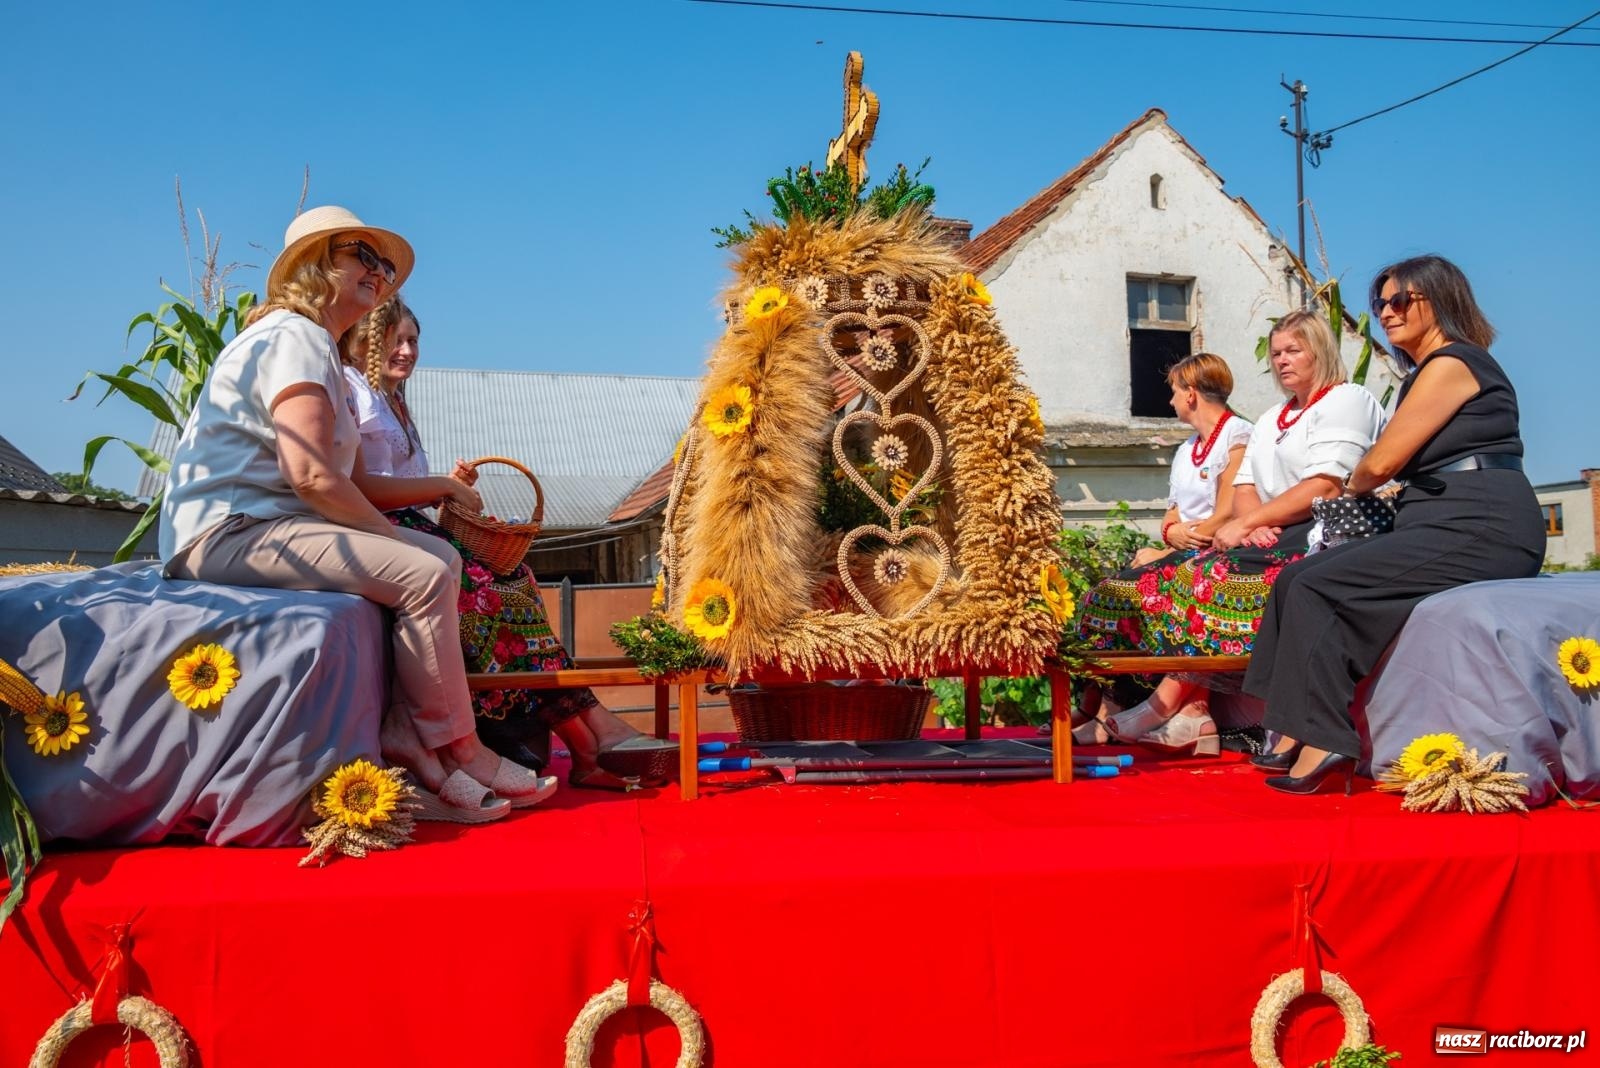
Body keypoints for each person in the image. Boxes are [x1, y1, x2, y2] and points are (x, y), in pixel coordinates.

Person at [159, 205, 553, 821]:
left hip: (269, 525)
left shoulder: (320, 354)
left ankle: (413, 738)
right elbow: (311, 474)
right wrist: (398, 544)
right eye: (362, 255)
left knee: (437, 561)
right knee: (427, 569)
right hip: (230, 530)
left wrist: (440, 490)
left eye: (386, 264)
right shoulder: (294, 335)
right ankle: (463, 747)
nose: (380, 272)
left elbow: (357, 479)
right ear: (318, 265)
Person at [340, 296, 674, 790]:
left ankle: (591, 739)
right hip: (378, 529)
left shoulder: (394, 401)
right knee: (487, 596)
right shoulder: (351, 391)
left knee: (516, 578)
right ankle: (590, 740)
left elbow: (403, 481)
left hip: (411, 524)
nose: (408, 351)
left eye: (413, 341)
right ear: (365, 342)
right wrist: (444, 487)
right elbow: (361, 484)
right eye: (395, 341)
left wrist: (443, 484)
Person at [1246, 255, 1545, 794]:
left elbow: (1380, 464)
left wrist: (1356, 478)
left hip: (1482, 521)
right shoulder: (1421, 376)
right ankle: (1289, 726)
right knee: (1293, 578)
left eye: (1400, 300)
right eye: (1379, 303)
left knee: (1316, 584)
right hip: (1435, 518)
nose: (1386, 311)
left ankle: (1325, 738)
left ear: (1439, 300)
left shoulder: (1455, 363)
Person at [1076, 310, 1387, 755]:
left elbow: (1325, 484)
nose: (1282, 360)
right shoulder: (1271, 417)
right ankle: (1121, 705)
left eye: (1293, 350)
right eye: (1276, 353)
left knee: (1200, 577)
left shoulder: (1345, 400)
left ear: (1319, 349)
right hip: (1269, 533)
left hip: (1323, 535)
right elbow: (1245, 488)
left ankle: (1175, 707)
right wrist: (1253, 521)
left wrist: (1251, 522)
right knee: (1127, 590)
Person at [1074, 353, 1252, 745]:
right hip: (1186, 548)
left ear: (1191, 395)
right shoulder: (1187, 449)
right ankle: (1107, 702)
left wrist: (1172, 549)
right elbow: (1171, 515)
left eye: (1173, 391)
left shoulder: (1237, 436)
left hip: (1217, 552)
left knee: (1167, 585)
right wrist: (1170, 535)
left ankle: (1186, 709)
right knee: (1104, 595)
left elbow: (1227, 512)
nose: (1170, 401)